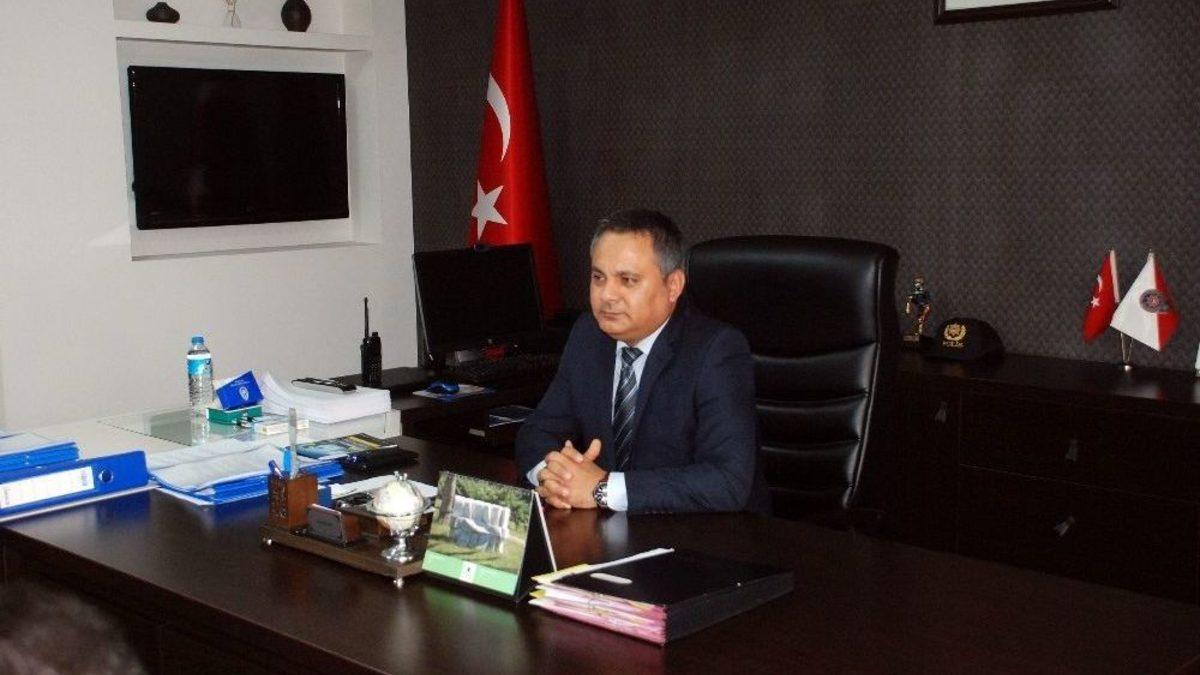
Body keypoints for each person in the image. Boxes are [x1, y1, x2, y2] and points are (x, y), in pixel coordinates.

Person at [515, 209, 768, 514]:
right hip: (611, 529)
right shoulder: (588, 335)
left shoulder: (716, 350)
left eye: (628, 280)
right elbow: (537, 432)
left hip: (704, 533)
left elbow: (727, 481)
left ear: (673, 286)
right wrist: (555, 478)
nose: (607, 295)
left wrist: (602, 488)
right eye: (598, 277)